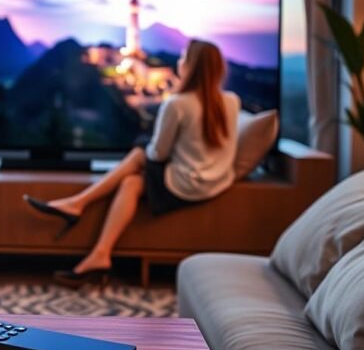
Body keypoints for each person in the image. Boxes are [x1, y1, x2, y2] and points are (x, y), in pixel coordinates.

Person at [24, 39, 240, 288]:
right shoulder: (231, 101)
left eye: (183, 59)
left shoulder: (178, 104)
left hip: (187, 184)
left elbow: (157, 154)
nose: (179, 62)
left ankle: (78, 203)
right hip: (218, 181)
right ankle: (100, 255)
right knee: (131, 183)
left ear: (191, 67)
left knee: (139, 153)